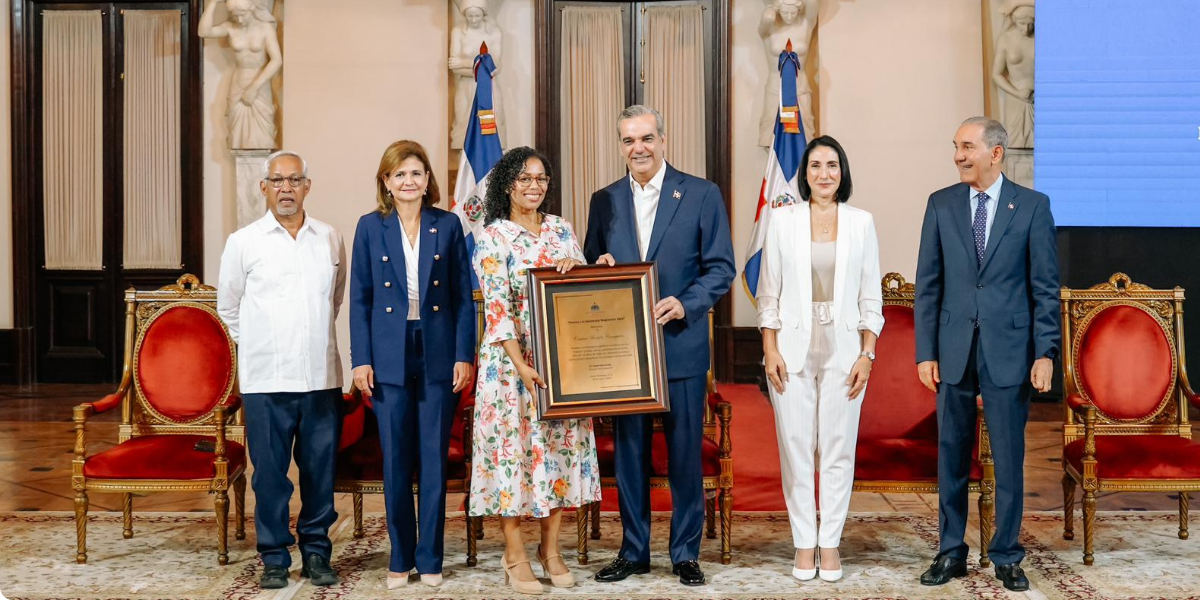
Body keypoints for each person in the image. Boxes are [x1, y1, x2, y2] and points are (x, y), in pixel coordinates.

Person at [584, 105, 736, 587]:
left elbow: (721, 268)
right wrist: (599, 266)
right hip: (624, 352)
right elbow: (591, 262)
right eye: (629, 141)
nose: (639, 149)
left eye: (646, 138)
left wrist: (685, 303)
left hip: (680, 346)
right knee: (629, 454)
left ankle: (685, 552)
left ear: (663, 140)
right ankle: (633, 551)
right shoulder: (603, 200)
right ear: (621, 146)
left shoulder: (701, 194)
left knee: (685, 454)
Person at [914, 117, 1059, 592]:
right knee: (951, 456)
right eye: (956, 146)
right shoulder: (940, 204)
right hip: (953, 351)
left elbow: (1043, 287)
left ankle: (1006, 555)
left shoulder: (1033, 207)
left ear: (995, 153)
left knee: (1010, 458)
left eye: (967, 147)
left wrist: (1046, 352)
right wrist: (925, 352)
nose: (958, 155)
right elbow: (928, 286)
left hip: (1010, 351)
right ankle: (951, 552)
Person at [469, 146, 601, 595]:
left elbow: (581, 296)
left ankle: (551, 549)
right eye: (524, 178)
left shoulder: (562, 229)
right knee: (514, 455)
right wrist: (522, 365)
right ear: (507, 183)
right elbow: (497, 308)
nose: (534, 186)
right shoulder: (493, 236)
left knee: (558, 453)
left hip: (561, 364)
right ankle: (513, 552)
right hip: (511, 367)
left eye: (541, 178)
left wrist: (579, 265)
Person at [348, 140, 476, 589]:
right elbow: (359, 297)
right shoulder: (369, 226)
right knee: (397, 459)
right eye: (399, 174)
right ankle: (401, 557)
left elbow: (464, 298)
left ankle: (431, 557)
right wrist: (360, 360)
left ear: (428, 181)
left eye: (416, 173)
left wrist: (464, 353)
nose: (408, 181)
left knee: (434, 459)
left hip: (439, 348)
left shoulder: (448, 224)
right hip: (387, 352)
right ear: (386, 181)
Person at [757, 135, 883, 583]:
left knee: (836, 449)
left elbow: (872, 297)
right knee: (795, 450)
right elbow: (768, 293)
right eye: (815, 166)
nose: (824, 174)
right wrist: (770, 349)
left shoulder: (861, 222)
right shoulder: (782, 220)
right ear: (804, 174)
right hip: (790, 349)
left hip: (845, 349)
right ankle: (803, 544)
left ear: (842, 172)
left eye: (832, 165)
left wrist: (867, 354)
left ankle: (829, 544)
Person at [217, 150, 344, 590]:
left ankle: (316, 552)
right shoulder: (243, 241)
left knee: (319, 473)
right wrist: (261, 342)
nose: (286, 188)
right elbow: (228, 307)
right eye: (277, 180)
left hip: (320, 379)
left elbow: (335, 299)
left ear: (307, 186)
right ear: (264, 187)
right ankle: (273, 556)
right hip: (266, 381)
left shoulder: (329, 237)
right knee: (269, 476)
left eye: (294, 180)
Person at [198, 0, 281, 150]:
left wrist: (254, 88)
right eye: (236, 16)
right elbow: (203, 32)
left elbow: (276, 61)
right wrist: (213, 3)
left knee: (262, 136)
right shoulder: (230, 27)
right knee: (238, 137)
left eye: (243, 15)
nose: (240, 20)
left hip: (259, 83)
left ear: (253, 9)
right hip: (238, 82)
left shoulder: (265, 28)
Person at [757, 0, 818, 147]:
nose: (789, 16)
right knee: (770, 136)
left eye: (793, 12)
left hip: (800, 87)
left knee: (806, 136)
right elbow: (766, 21)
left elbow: (814, 3)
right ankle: (776, 169)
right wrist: (769, 13)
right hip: (775, 86)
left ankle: (801, 168)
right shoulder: (770, 26)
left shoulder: (806, 25)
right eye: (785, 12)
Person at [991, 0, 1035, 148]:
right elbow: (996, 75)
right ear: (1015, 20)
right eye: (1022, 23)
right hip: (1015, 99)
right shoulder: (1006, 39)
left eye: (1031, 23)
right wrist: (1017, 93)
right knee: (1015, 145)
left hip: (1038, 99)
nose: (1027, 29)